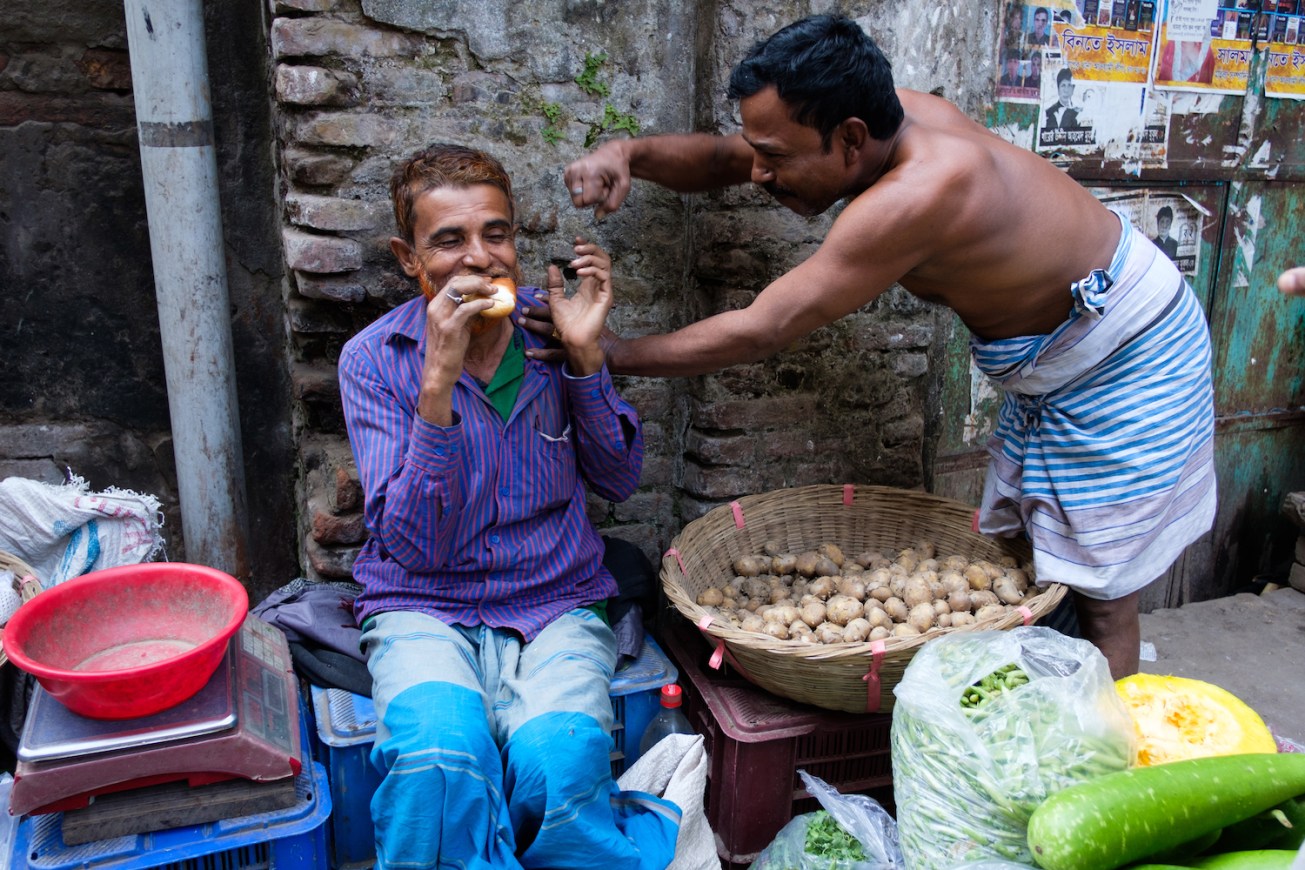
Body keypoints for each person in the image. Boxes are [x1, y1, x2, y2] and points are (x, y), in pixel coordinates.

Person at [554, 14, 1216, 680]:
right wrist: (629, 155)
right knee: (1020, 563)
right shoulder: (886, 123)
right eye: (759, 150)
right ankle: (1039, 696)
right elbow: (727, 157)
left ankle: (1115, 760)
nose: (757, 171)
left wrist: (611, 353)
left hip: (1128, 356)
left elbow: (764, 327)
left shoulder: (919, 192)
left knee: (1104, 595)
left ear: (848, 140)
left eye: (776, 158)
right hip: (1062, 359)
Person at [338, 143, 679, 869]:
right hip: (422, 599)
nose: (479, 259)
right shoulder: (374, 360)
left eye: (496, 234)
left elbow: (618, 481)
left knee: (560, 761)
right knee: (436, 754)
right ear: (408, 258)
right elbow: (413, 544)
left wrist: (588, 360)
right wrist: (438, 382)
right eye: (448, 241)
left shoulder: (553, 330)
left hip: (554, 598)